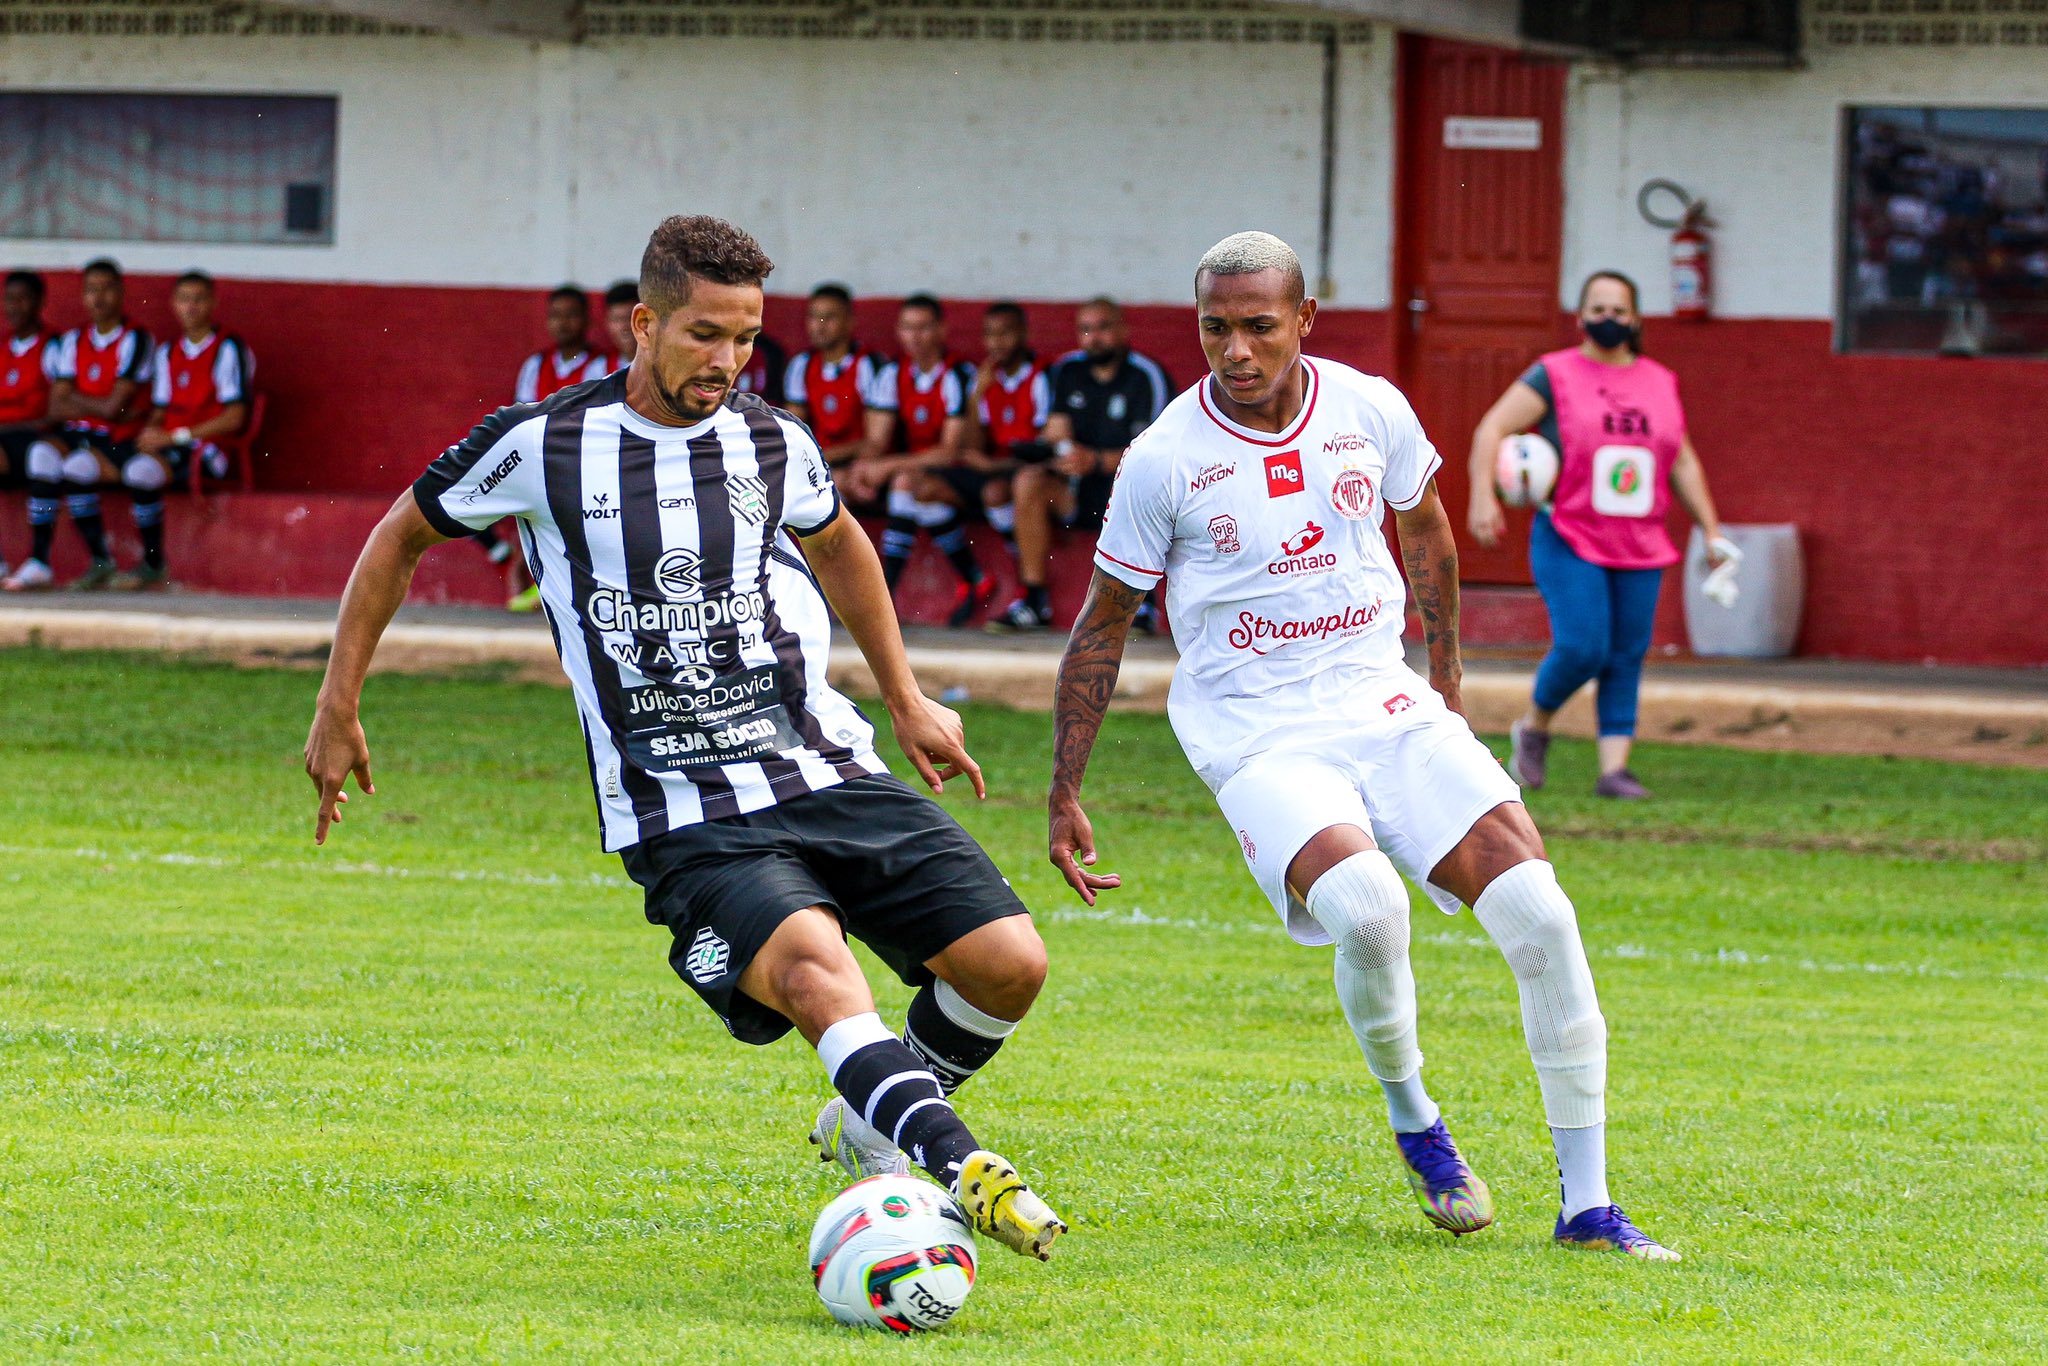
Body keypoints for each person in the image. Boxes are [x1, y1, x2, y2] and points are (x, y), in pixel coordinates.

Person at [303, 214, 1066, 1262]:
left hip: (819, 760)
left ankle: (870, 1110)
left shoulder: (771, 440)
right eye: (705, 335)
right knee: (814, 971)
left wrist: (903, 697)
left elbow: (840, 545)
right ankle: (963, 1167)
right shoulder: (541, 445)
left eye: (746, 337)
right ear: (643, 323)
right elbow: (399, 538)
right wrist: (337, 703)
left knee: (1008, 965)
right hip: (679, 807)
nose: (727, 361)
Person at [1048, 231, 1679, 1261]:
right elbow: (1102, 621)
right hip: (1255, 732)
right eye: (1215, 327)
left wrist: (1444, 684)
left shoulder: (1369, 408)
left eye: (1259, 325)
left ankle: (1588, 1207)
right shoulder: (1165, 456)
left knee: (1539, 912)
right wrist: (1063, 788)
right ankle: (1414, 1117)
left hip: (1381, 703)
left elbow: (1425, 532)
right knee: (1369, 907)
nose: (1236, 350)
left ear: (1303, 320)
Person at [1466, 271, 1730, 799]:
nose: (1608, 319)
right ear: (1581, 316)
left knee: (1626, 653)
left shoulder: (1659, 380)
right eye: (1598, 308)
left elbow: (1680, 459)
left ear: (1635, 319)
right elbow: (1491, 428)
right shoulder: (1554, 374)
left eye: (1618, 310)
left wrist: (1712, 528)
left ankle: (1614, 771)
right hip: (1570, 531)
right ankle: (1535, 726)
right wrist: (1482, 494)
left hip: (1640, 539)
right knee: (1584, 647)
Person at [991, 297, 1169, 632]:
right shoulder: (1066, 370)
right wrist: (1061, 451)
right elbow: (1054, 428)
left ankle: (1142, 605)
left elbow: (1158, 453)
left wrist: (1097, 460)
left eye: (1103, 327)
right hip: (1076, 489)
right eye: (1086, 329)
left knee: (1147, 485)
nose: (1094, 337)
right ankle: (1033, 601)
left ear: (1122, 329)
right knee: (1028, 481)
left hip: (1127, 488)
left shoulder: (1146, 375)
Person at [4, 258, 152, 593]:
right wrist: (97, 404)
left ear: (121, 292)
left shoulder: (136, 339)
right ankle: (40, 561)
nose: (98, 298)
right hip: (79, 432)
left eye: (106, 289)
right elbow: (57, 404)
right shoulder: (73, 341)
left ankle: (101, 557)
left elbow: (116, 410)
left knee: (75, 467)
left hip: (117, 440)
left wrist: (79, 399)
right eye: (90, 290)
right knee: (42, 454)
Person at [853, 294, 991, 625]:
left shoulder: (957, 373)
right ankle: (972, 576)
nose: (914, 337)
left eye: (924, 328)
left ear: (942, 330)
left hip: (963, 474)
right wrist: (863, 468)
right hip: (921, 474)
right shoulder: (892, 373)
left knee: (905, 483)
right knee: (899, 485)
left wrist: (886, 466)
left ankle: (885, 592)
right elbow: (876, 439)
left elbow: (950, 451)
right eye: (907, 328)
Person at [120, 271, 254, 589]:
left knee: (139, 472)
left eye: (198, 299)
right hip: (170, 446)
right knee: (91, 466)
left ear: (212, 303)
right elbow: (161, 410)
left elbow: (235, 417)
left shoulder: (227, 348)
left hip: (208, 450)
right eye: (184, 299)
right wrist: (150, 434)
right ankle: (102, 563)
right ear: (173, 304)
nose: (190, 307)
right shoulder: (167, 352)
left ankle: (152, 563)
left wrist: (173, 437)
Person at [501, 285, 612, 610]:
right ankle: (524, 578)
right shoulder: (536, 364)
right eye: (555, 316)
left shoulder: (601, 366)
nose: (563, 323)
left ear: (587, 321)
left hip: (583, 465)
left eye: (571, 316)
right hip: (538, 462)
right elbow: (520, 417)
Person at [970, 301, 1051, 565]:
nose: (996, 342)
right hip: (997, 467)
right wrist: (976, 395)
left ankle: (1023, 566)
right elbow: (972, 443)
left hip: (1033, 469)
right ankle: (1014, 557)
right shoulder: (986, 378)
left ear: (1024, 334)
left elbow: (1044, 448)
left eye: (1005, 333)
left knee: (999, 490)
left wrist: (993, 464)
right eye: (989, 334)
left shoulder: (1041, 376)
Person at [0, 270, 59, 585]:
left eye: (23, 299)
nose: (14, 307)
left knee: (43, 454)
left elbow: (56, 413)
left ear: (39, 303)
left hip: (37, 438)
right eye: (9, 298)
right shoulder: (3, 347)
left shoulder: (53, 346)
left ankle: (40, 560)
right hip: (5, 442)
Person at [782, 283, 876, 476]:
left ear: (850, 322)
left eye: (829, 317)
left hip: (858, 465)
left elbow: (875, 443)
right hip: (817, 461)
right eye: (813, 317)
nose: (819, 325)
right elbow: (793, 430)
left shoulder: (869, 365)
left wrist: (820, 456)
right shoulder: (802, 365)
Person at [602, 279, 640, 369]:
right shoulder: (599, 370)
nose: (625, 326)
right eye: (617, 319)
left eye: (630, 317)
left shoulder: (667, 365)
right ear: (607, 323)